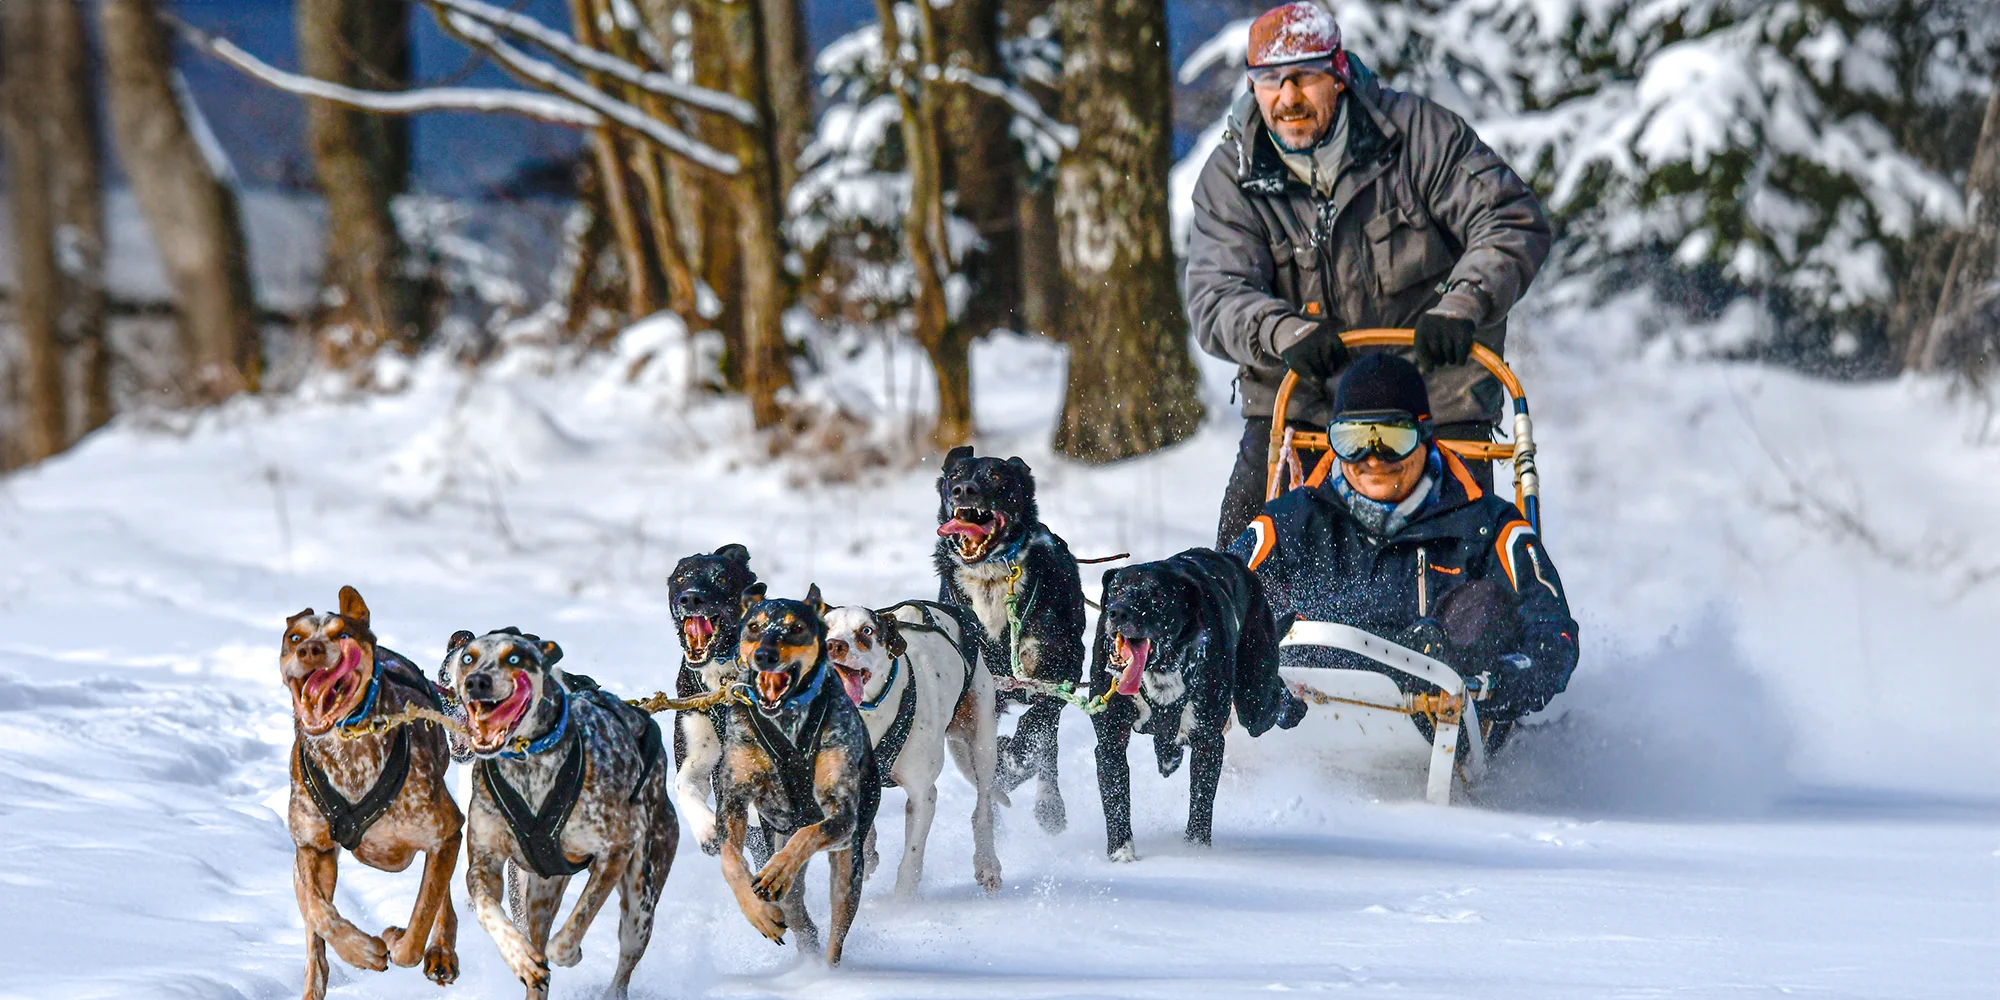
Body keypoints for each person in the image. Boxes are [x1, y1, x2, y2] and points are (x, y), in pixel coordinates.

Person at [1188, 1, 1552, 548]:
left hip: (1434, 395)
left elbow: (1510, 218)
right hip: (1304, 401)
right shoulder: (1230, 176)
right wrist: (1284, 331)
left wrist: (1462, 304)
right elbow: (1215, 293)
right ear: (1251, 87)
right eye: (1270, 81)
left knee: (1467, 560)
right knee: (1243, 558)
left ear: (1338, 74)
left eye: (1305, 77)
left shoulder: (1418, 135)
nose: (1288, 97)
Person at [1226, 354, 1578, 752]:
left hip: (1446, 726)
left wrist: (1500, 680)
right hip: (1307, 721)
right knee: (1252, 601)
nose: (1373, 459)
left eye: (1392, 440)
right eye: (1353, 441)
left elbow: (1554, 634)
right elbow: (1218, 593)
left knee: (1485, 605)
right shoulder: (1294, 519)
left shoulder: (1487, 525)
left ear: (1424, 435)